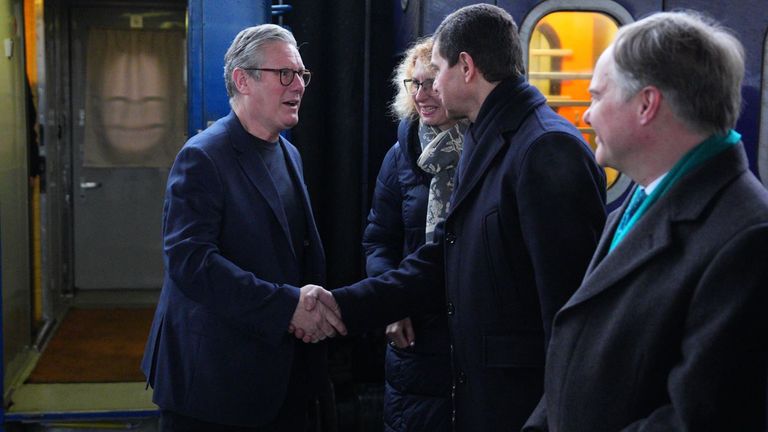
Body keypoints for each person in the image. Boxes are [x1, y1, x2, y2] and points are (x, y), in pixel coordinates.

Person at [297, 4, 607, 431]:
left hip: (520, 407)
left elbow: (569, 313)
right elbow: (443, 257)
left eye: (438, 70)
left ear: (466, 67)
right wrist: (345, 306)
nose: (431, 87)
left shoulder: (546, 149)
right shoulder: (486, 135)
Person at [522, 11, 768, 431]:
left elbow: (698, 419)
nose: (586, 116)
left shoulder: (746, 238)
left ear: (646, 104)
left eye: (597, 97)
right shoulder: (640, 198)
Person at [141, 24, 345, 431]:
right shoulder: (202, 157)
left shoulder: (289, 153)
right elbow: (191, 264)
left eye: (301, 75)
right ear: (242, 80)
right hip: (213, 390)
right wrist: (287, 307)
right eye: (284, 73)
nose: (298, 85)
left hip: (280, 382)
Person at [364, 37, 465, 432]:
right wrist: (390, 304)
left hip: (467, 328)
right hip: (415, 334)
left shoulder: (486, 147)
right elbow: (378, 240)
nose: (422, 95)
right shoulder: (402, 153)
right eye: (414, 84)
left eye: (431, 83)